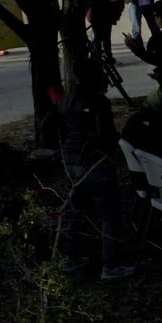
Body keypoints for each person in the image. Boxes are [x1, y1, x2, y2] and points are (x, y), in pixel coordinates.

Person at [59, 59, 135, 280]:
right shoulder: (98, 102)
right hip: (95, 161)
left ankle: (70, 258)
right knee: (109, 214)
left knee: (77, 210)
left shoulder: (67, 100)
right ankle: (112, 265)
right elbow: (107, 135)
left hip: (71, 161)